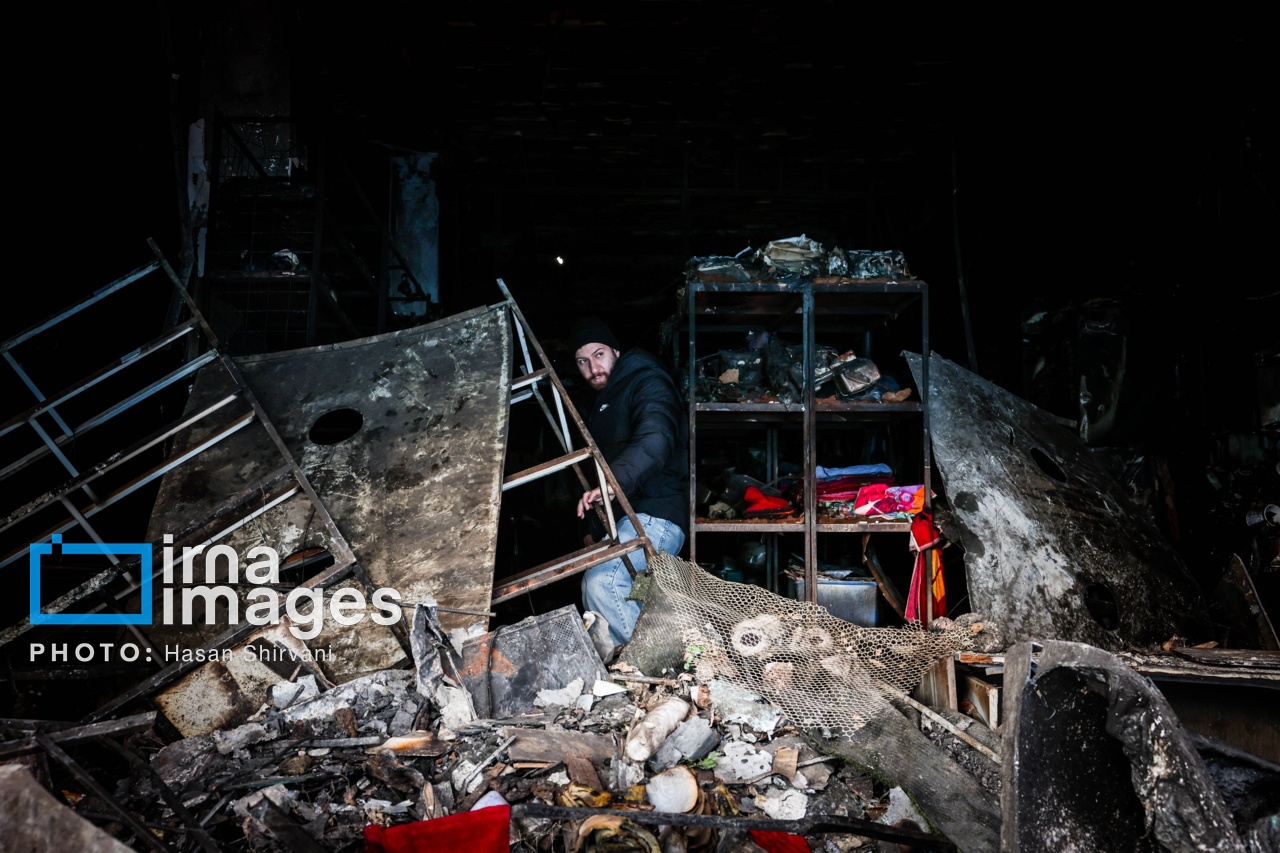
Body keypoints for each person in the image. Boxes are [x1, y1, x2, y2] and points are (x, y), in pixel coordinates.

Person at [569, 316, 688, 647]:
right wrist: (595, 528)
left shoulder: (647, 381)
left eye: (599, 355)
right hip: (629, 519)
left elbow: (656, 436)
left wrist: (613, 483)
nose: (593, 368)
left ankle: (641, 667)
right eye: (582, 361)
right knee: (636, 598)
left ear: (616, 352)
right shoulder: (603, 401)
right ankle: (656, 668)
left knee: (603, 583)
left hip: (657, 517)